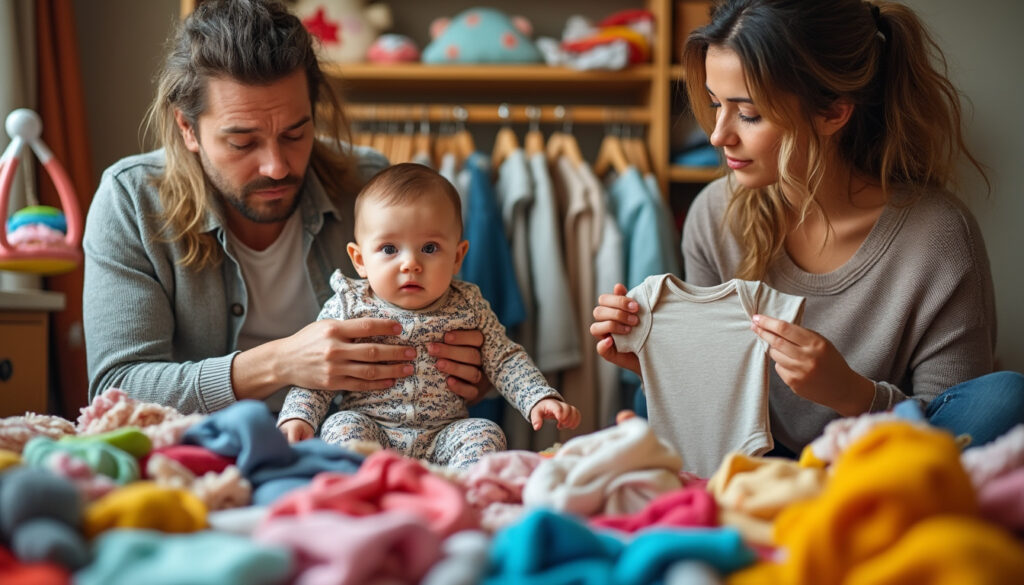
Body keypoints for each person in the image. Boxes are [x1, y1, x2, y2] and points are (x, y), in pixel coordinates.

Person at [591, 0, 1024, 456]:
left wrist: (853, 395)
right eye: (717, 104)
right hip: (754, 458)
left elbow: (951, 421)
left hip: (876, 461)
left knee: (1005, 398)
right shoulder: (714, 213)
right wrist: (656, 363)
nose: (718, 135)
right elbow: (717, 396)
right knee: (644, 404)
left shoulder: (938, 236)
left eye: (749, 113)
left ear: (834, 112)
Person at [82, 0, 487, 415]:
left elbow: (472, 347)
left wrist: (470, 370)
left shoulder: (371, 187)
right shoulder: (131, 201)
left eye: (296, 134)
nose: (276, 167)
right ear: (188, 128)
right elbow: (117, 387)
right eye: (243, 142)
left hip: (347, 449)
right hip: (201, 455)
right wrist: (282, 362)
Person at [277, 163, 580, 468]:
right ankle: (362, 491)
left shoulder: (469, 305)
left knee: (486, 433)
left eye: (430, 247)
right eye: (389, 248)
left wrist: (539, 397)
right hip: (372, 430)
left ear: (458, 257)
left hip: (443, 435)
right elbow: (316, 370)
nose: (410, 263)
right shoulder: (348, 305)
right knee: (341, 426)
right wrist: (298, 416)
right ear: (360, 260)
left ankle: (467, 495)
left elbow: (505, 359)